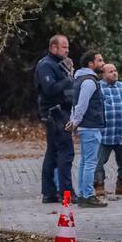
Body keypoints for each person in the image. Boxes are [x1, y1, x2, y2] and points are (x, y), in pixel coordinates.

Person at [36, 34, 75, 203]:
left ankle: (49, 193)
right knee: (65, 153)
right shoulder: (46, 65)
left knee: (52, 154)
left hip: (60, 112)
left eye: (67, 47)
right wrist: (67, 80)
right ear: (54, 47)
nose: (67, 50)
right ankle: (66, 192)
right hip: (55, 114)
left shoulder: (57, 65)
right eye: (64, 47)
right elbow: (50, 89)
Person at [67, 51, 107, 207]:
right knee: (90, 162)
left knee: (85, 162)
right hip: (90, 126)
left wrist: (74, 121)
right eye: (100, 60)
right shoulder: (90, 81)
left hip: (85, 125)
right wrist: (75, 122)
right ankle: (88, 195)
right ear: (91, 64)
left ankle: (84, 194)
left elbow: (74, 104)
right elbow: (81, 104)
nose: (103, 63)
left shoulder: (79, 79)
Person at [95, 63, 122, 200]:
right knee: (99, 161)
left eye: (115, 70)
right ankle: (99, 185)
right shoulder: (98, 88)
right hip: (105, 133)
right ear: (103, 74)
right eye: (110, 71)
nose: (114, 73)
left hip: (121, 132)